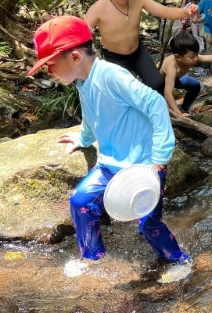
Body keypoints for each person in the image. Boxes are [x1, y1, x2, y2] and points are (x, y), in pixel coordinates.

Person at [27, 15, 191, 271]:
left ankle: (178, 261)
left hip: (144, 167)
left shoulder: (112, 76)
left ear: (74, 57)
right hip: (110, 165)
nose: (49, 71)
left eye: (51, 64)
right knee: (81, 202)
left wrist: (160, 157)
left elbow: (156, 103)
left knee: (148, 222)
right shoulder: (82, 81)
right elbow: (92, 114)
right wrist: (83, 138)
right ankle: (92, 258)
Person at [84, 0, 198, 95]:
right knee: (124, 93)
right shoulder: (98, 8)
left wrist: (186, 11)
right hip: (113, 57)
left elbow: (165, 12)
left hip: (138, 52)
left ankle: (159, 114)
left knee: (157, 84)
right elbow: (82, 34)